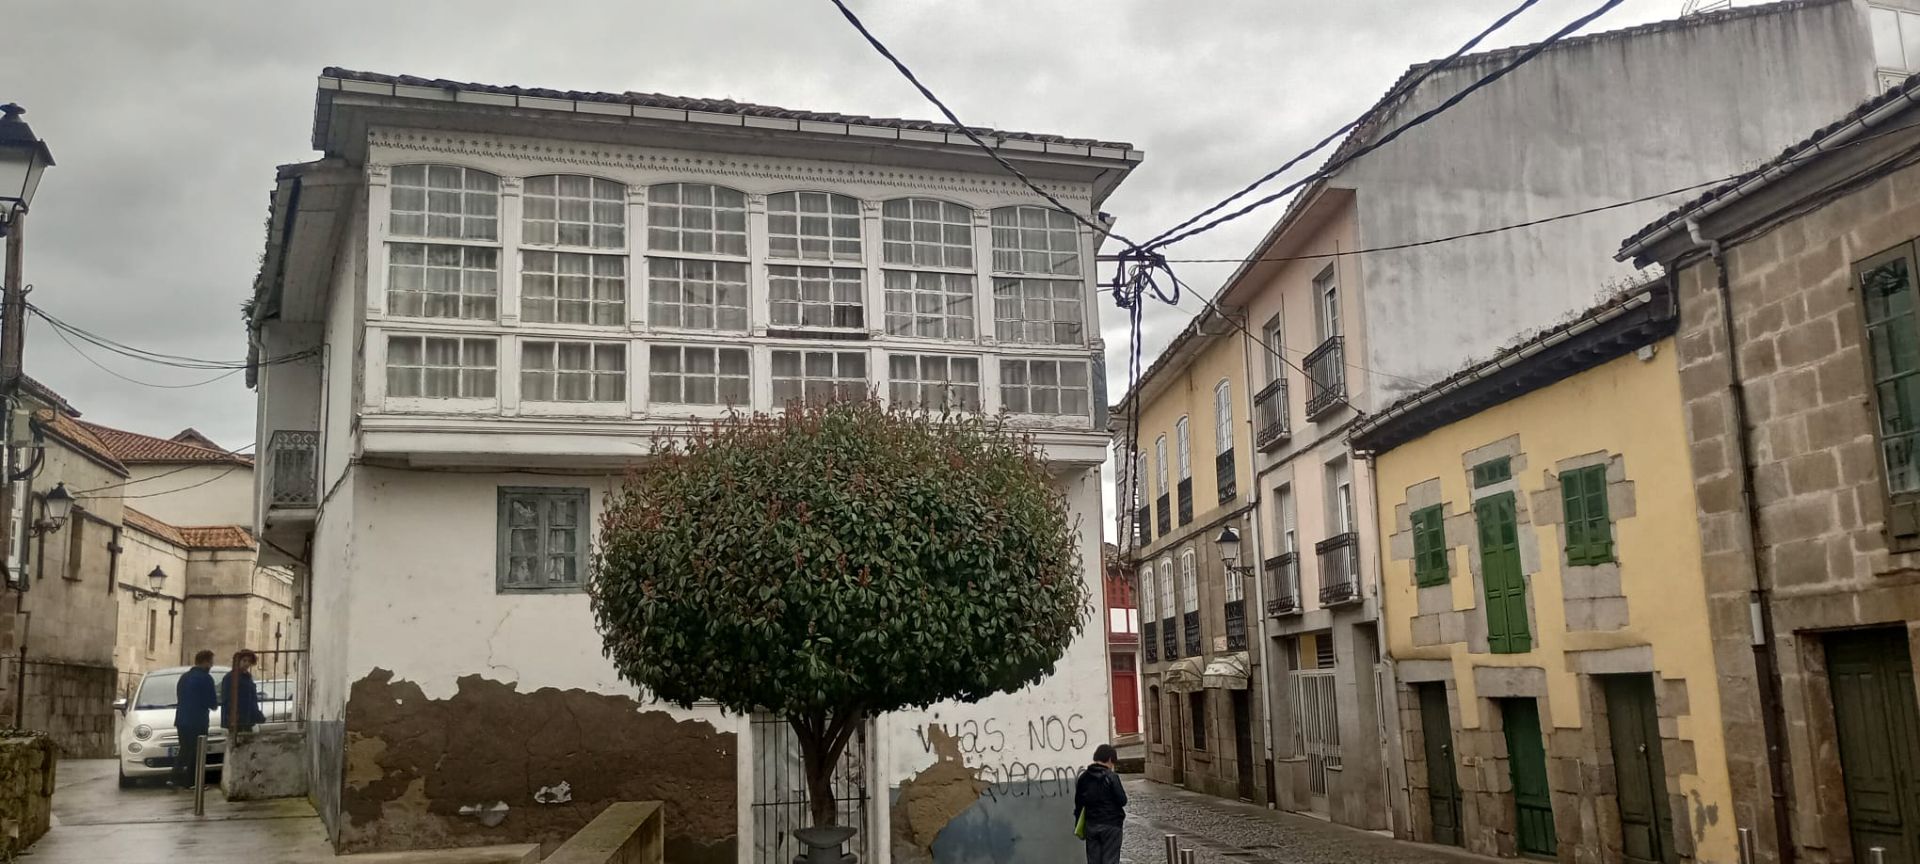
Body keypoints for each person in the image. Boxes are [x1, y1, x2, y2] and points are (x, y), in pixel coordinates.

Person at [1075, 743, 1128, 864]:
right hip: (1111, 825)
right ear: (1110, 759)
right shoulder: (1111, 777)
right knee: (1110, 859)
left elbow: (1078, 804)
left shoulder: (1084, 777)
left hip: (1091, 825)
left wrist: (1079, 826)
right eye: (1113, 762)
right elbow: (1122, 800)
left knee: (1093, 861)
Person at [172, 649, 217, 789]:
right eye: (211, 662)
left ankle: (174, 778)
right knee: (197, 752)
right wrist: (214, 704)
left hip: (181, 719)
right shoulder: (206, 678)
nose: (212, 665)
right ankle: (192, 782)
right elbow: (211, 702)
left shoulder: (184, 677)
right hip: (198, 720)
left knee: (185, 749)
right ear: (205, 662)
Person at [219, 649, 265, 734]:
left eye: (249, 661)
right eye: (244, 660)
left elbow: (252, 698)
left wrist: (256, 713)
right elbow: (227, 698)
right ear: (238, 661)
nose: (247, 664)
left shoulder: (247, 677)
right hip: (237, 720)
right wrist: (232, 716)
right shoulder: (230, 677)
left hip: (248, 719)